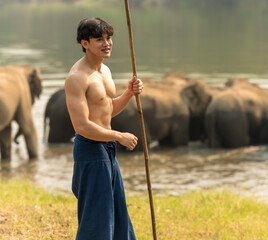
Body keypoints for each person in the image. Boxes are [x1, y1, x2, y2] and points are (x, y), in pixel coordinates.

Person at [65, 17, 142, 240]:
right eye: (99, 39)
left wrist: (128, 93)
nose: (106, 43)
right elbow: (81, 126)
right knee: (97, 219)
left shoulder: (105, 71)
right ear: (84, 43)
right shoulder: (77, 77)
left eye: (108, 38)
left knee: (118, 213)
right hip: (90, 150)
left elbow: (107, 111)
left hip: (107, 149)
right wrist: (118, 135)